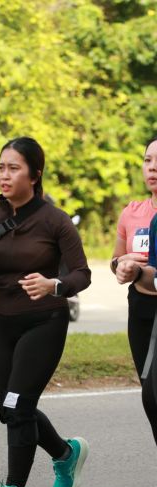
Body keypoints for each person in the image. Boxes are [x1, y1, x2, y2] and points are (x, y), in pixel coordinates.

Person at [0, 136, 91, 487]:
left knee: (17, 406)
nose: (5, 175)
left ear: (34, 175)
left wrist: (53, 285)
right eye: (1, 167)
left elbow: (82, 274)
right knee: (10, 408)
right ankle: (65, 453)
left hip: (44, 321)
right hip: (1, 322)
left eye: (14, 168)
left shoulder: (54, 220)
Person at [115, 135, 157, 447]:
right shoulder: (132, 212)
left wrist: (142, 270)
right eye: (147, 160)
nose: (152, 168)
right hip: (140, 307)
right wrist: (122, 266)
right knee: (150, 394)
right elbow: (116, 259)